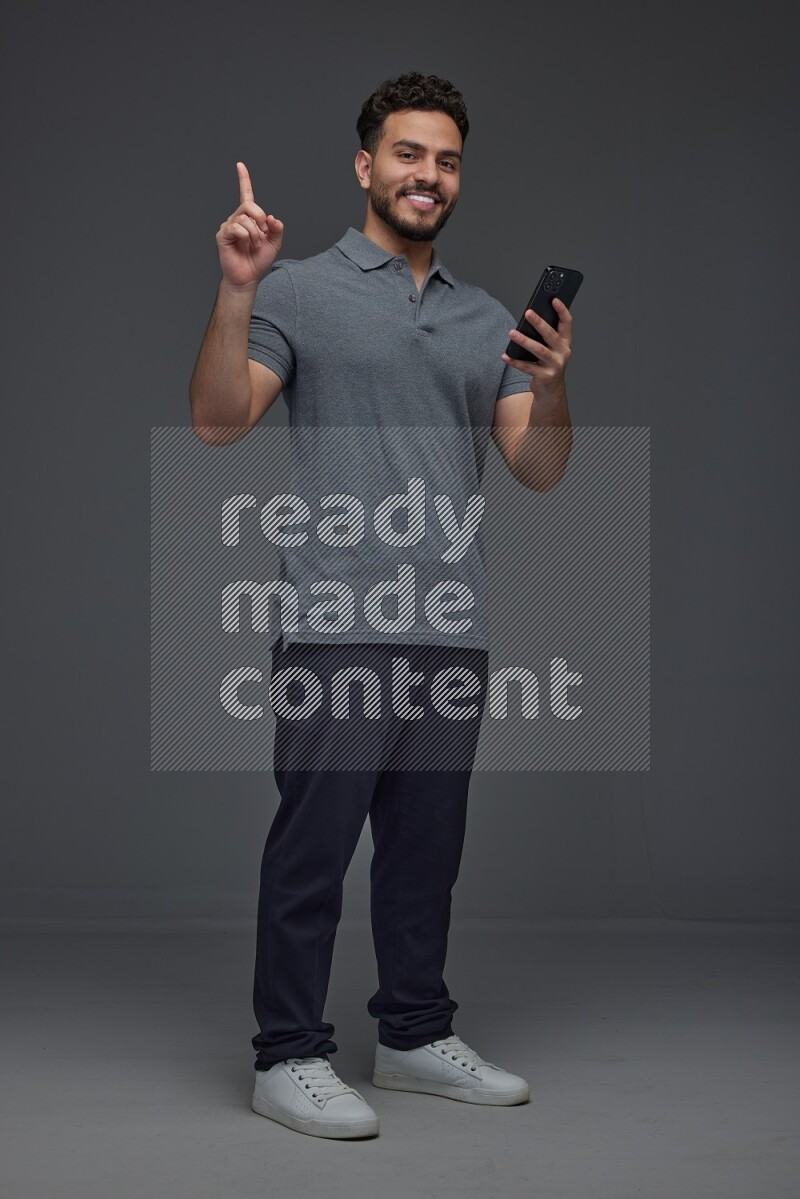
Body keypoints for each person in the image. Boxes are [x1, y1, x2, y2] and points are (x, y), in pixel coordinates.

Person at [189, 71, 574, 1140]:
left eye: (445, 160)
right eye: (408, 154)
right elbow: (220, 421)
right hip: (336, 615)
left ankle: (410, 1033)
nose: (427, 175)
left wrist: (546, 384)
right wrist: (235, 290)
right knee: (313, 846)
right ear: (366, 166)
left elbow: (534, 468)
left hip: (450, 620)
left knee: (423, 848)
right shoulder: (297, 290)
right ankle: (286, 1053)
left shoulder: (486, 316)